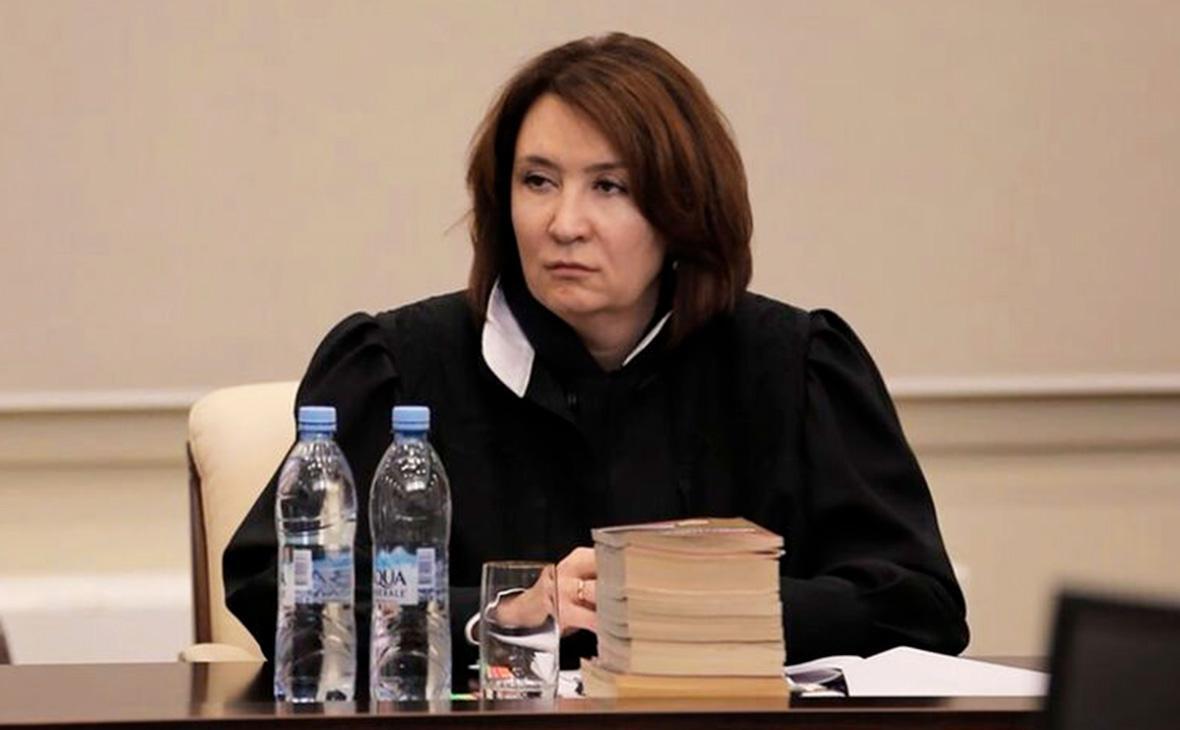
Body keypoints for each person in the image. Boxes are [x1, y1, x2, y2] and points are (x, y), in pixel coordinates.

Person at [224, 32, 969, 691]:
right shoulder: (399, 365)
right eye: (537, 181)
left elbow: (919, 604)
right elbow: (276, 590)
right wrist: (508, 610)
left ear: (684, 210)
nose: (564, 224)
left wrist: (696, 607)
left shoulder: (793, 367)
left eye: (609, 186)